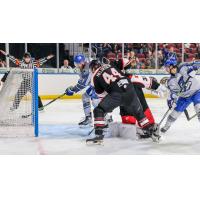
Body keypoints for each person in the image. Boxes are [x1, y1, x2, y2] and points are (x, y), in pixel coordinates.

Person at [86, 61, 160, 144]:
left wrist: (107, 106)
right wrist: (156, 86)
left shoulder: (95, 76)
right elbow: (129, 74)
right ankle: (152, 133)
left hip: (117, 94)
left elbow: (101, 95)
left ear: (93, 69)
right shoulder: (111, 65)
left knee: (99, 110)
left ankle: (98, 136)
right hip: (130, 90)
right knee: (139, 114)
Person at [161, 60, 200, 133]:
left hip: (196, 92)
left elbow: (195, 64)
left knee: (198, 107)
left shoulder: (183, 67)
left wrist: (195, 67)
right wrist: (171, 101)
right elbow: (173, 94)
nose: (166, 69)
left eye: (166, 67)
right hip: (184, 97)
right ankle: (164, 128)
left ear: (171, 66)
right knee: (173, 114)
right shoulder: (171, 81)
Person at [65, 54, 101, 127]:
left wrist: (73, 90)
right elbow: (82, 81)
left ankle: (106, 118)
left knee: (95, 102)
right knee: (85, 97)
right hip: (95, 85)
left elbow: (84, 83)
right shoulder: (83, 67)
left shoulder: (87, 68)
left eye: (78, 63)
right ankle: (88, 118)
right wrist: (73, 88)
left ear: (83, 62)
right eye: (76, 63)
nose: (77, 65)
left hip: (99, 85)